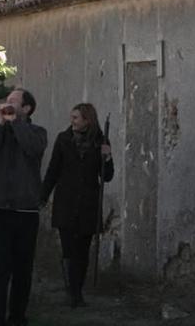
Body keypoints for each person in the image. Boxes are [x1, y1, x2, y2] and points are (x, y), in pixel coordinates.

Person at [0, 88, 48, 326]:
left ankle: (17, 316)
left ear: (26, 108)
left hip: (25, 211)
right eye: (7, 101)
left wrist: (16, 123)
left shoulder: (37, 132)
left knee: (22, 269)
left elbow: (33, 148)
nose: (7, 105)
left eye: (14, 102)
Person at [40, 103, 114, 308]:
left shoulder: (101, 141)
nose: (72, 121)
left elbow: (107, 176)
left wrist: (107, 157)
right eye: (71, 117)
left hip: (88, 202)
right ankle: (71, 291)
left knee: (82, 249)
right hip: (66, 200)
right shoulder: (64, 140)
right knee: (68, 249)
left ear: (87, 120)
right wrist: (43, 196)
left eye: (76, 118)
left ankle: (77, 291)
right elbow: (53, 169)